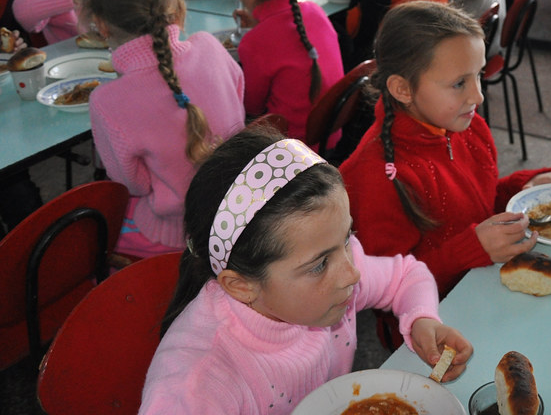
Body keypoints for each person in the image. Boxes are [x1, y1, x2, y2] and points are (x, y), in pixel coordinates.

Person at [139, 125, 471, 412]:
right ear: (241, 286)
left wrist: (422, 320)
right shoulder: (196, 385)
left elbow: (407, 276)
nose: (352, 274)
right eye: (320, 264)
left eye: (346, 238)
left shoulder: (332, 278)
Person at [341, 1, 551, 301]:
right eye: (459, 83)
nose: (478, 95)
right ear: (403, 89)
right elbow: (383, 290)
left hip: (486, 284)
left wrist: (522, 188)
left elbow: (475, 206)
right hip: (432, 323)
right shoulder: (377, 175)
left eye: (478, 75)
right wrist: (471, 250)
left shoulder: (469, 128)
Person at [85, 0, 244, 259]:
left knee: (92, 247)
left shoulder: (106, 102)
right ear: (173, 5)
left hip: (176, 235)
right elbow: (238, 107)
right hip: (236, 210)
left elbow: (133, 185)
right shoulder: (209, 46)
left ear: (101, 25)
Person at [229, 0, 344, 143]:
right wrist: (260, 24)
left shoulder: (254, 42)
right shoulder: (315, 11)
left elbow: (252, 107)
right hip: (331, 134)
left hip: (291, 152)